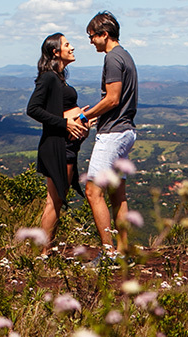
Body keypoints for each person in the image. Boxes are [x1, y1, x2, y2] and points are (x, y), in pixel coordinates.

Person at [80, 11, 138, 257]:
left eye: (92, 36)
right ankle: (122, 251)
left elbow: (112, 99)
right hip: (126, 131)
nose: (91, 41)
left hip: (113, 133)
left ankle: (108, 253)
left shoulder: (112, 58)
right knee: (118, 194)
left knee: (93, 192)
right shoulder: (125, 55)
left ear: (104, 34)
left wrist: (86, 116)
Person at [26, 32, 90, 255]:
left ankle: (45, 248)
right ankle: (44, 251)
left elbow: (61, 109)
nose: (72, 48)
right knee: (54, 200)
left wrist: (82, 117)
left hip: (67, 145)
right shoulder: (49, 78)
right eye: (67, 44)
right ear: (56, 52)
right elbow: (33, 109)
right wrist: (65, 123)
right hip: (59, 146)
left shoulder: (58, 78)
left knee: (56, 199)